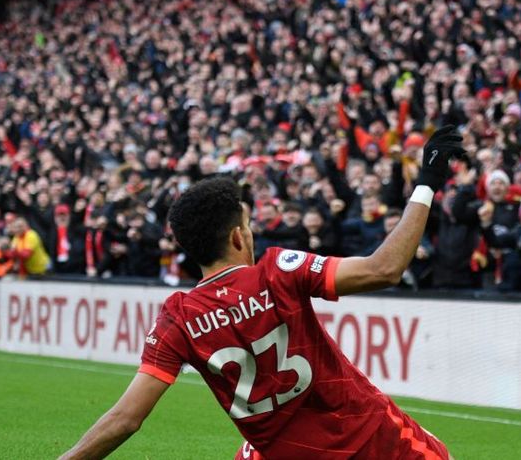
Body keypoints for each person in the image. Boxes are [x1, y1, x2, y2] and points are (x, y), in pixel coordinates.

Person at [60, 126, 463, 460]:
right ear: (238, 236)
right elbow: (384, 268)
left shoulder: (178, 315)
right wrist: (426, 184)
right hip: (371, 442)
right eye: (248, 225)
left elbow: (126, 419)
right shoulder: (277, 271)